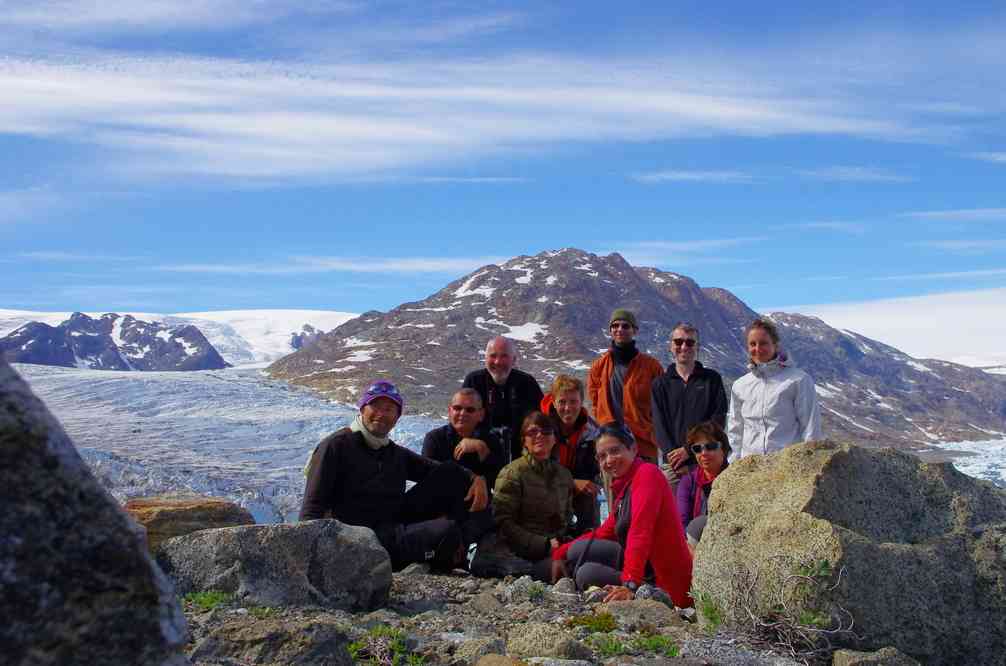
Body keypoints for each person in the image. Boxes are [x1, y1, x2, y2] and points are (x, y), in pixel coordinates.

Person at [300, 380, 488, 571]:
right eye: (375, 406)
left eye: (389, 409)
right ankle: (454, 558)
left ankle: (477, 547)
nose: (381, 414)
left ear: (397, 417)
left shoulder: (392, 451)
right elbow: (312, 508)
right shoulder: (337, 446)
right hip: (358, 538)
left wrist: (475, 478)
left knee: (451, 474)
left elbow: (439, 470)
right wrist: (312, 561)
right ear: (362, 409)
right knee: (446, 532)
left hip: (393, 522)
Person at [551, 423, 693, 608]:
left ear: (633, 449)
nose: (609, 460)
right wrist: (559, 553)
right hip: (646, 568)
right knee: (576, 552)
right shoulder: (625, 486)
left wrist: (630, 584)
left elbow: (640, 531)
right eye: (602, 456)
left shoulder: (647, 474)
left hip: (664, 583)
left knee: (586, 573)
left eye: (615, 451)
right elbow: (603, 533)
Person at [491, 411, 575, 582]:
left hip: (556, 546)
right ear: (524, 440)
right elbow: (503, 523)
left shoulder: (564, 475)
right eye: (532, 432)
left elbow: (566, 516)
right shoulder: (512, 473)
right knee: (575, 570)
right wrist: (543, 545)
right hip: (523, 553)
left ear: (554, 439)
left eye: (546, 432)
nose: (540, 436)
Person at [727, 318, 822, 459]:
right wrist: (733, 463)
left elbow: (810, 427)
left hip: (786, 466)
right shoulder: (740, 385)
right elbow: (736, 429)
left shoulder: (798, 380)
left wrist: (809, 462)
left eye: (763, 343)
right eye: (752, 344)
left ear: (775, 346)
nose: (758, 349)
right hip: (750, 468)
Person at [651, 323, 728, 485]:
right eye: (678, 342)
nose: (684, 347)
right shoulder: (660, 384)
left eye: (690, 342)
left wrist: (689, 450)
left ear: (697, 347)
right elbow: (659, 426)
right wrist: (676, 459)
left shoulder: (712, 379)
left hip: (707, 460)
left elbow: (717, 420)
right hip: (673, 466)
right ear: (671, 346)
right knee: (673, 510)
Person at [587, 309, 664, 462]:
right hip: (610, 446)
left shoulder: (652, 366)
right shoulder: (599, 366)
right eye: (615, 326)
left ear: (634, 331)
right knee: (614, 487)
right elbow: (595, 401)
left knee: (646, 485)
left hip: (643, 445)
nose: (620, 329)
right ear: (610, 330)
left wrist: (652, 431)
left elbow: (662, 405)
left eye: (625, 326)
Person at [463, 336, 544, 464]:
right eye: (493, 356)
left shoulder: (528, 383)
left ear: (514, 360)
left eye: (504, 356)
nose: (497, 362)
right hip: (481, 456)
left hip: (521, 460)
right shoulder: (474, 381)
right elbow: (461, 420)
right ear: (485, 358)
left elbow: (541, 423)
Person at [540, 374, 602, 533]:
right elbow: (535, 472)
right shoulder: (540, 430)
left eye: (573, 401)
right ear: (553, 402)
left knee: (590, 495)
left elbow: (596, 469)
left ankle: (590, 538)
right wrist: (571, 482)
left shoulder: (592, 431)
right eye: (562, 402)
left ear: (581, 403)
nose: (568, 408)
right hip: (547, 488)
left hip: (579, 487)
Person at [422, 388, 504, 491]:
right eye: (457, 408)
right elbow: (428, 480)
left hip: (480, 503)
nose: (462, 413)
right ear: (449, 411)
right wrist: (472, 479)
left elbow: (500, 484)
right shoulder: (434, 439)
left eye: (470, 410)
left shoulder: (491, 441)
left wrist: (482, 450)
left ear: (481, 415)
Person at [675, 421, 731, 552]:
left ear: (723, 449)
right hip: (695, 545)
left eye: (710, 446)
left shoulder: (736, 478)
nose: (704, 453)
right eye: (697, 449)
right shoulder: (688, 482)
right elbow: (682, 524)